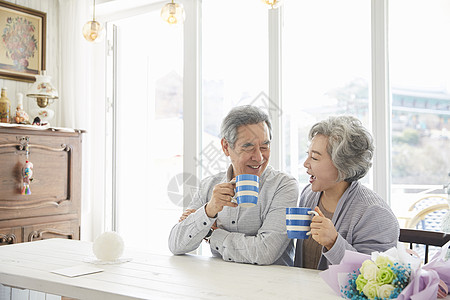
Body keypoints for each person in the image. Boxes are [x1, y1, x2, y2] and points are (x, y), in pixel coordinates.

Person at [168, 105, 299, 266]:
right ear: (225, 147)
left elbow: (264, 252)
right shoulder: (210, 186)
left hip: (271, 287)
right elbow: (176, 245)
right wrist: (209, 211)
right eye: (248, 147)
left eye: (265, 147)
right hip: (220, 285)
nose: (259, 157)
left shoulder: (283, 186)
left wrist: (210, 233)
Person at [294, 115, 399, 270]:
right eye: (308, 154)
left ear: (342, 165)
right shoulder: (308, 195)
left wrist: (333, 242)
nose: (305, 164)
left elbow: (375, 275)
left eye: (315, 158)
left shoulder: (375, 213)